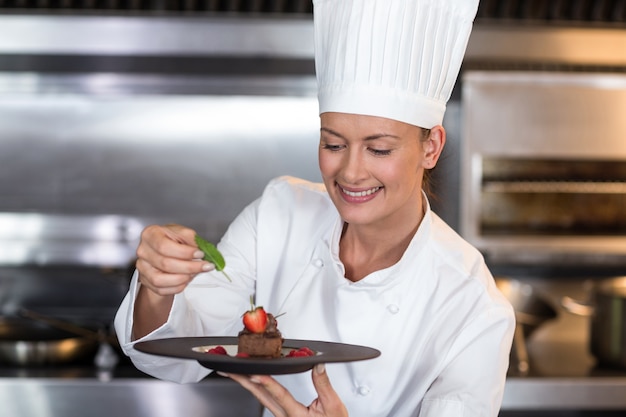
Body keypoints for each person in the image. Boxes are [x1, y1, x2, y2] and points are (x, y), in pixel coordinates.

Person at [114, 0, 515, 416]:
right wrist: (159, 288)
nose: (351, 172)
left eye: (379, 149)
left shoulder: (472, 305)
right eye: (333, 144)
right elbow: (170, 353)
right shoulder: (281, 213)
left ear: (430, 147)